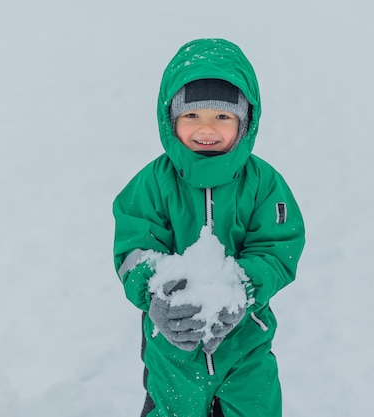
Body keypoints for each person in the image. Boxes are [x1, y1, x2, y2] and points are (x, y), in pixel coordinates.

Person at [113, 38, 305, 417]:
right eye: (192, 116)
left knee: (254, 408)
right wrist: (156, 296)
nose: (207, 129)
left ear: (244, 121)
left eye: (222, 117)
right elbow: (134, 248)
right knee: (172, 409)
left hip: (245, 336)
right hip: (172, 342)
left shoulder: (263, 183)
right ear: (171, 119)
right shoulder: (153, 184)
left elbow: (277, 247)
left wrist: (244, 287)